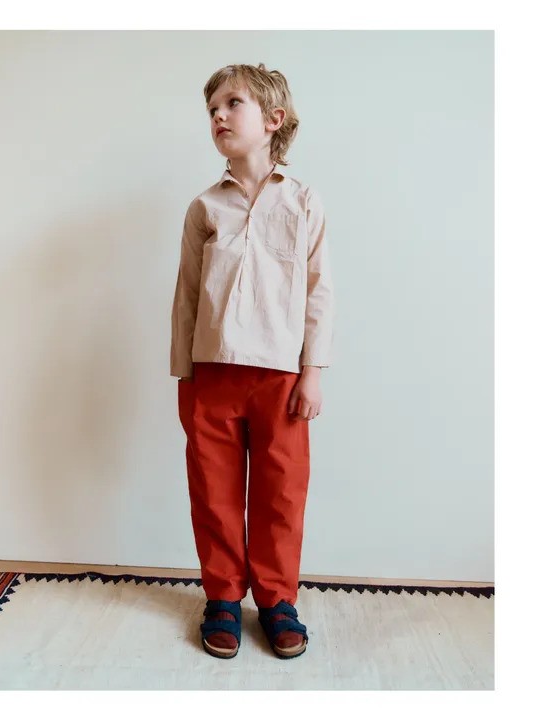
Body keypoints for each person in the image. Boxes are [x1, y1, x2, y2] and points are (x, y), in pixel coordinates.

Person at [170, 63, 334, 660]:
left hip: (281, 377)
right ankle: (221, 597)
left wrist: (312, 371)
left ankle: (277, 600)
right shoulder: (204, 207)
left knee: (281, 493)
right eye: (211, 108)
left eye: (232, 103)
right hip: (211, 372)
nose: (218, 115)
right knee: (213, 492)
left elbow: (318, 290)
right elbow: (188, 294)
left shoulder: (303, 201)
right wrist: (185, 375)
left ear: (273, 119)